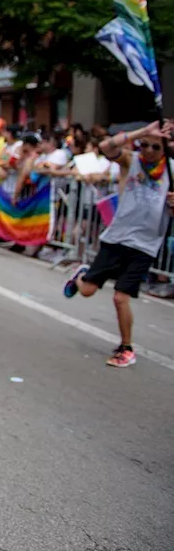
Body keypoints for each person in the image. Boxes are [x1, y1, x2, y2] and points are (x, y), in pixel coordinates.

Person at [64, 120, 174, 368]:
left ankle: (126, 348)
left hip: (145, 244)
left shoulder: (172, 171)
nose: (147, 150)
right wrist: (144, 131)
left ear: (165, 149)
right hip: (117, 237)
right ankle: (81, 275)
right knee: (87, 291)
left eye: (154, 147)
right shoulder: (131, 161)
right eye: (144, 145)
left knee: (120, 297)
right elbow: (105, 146)